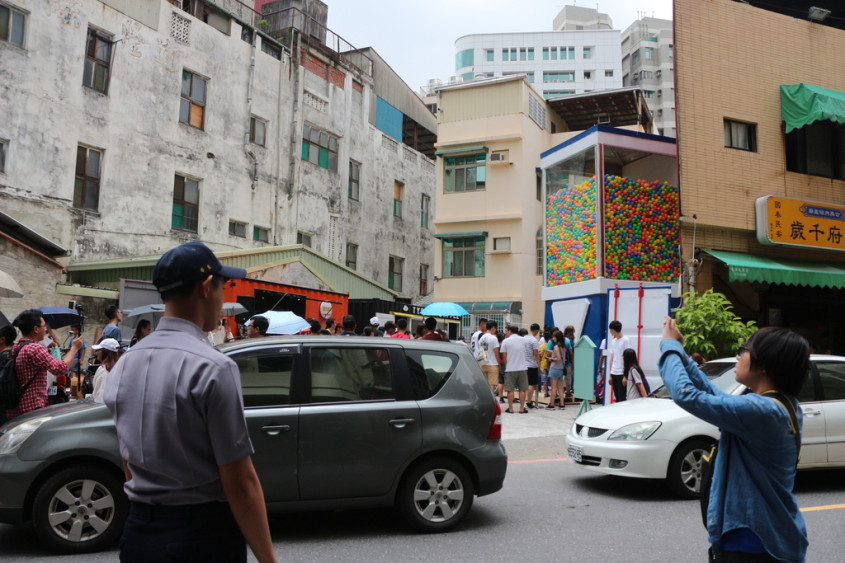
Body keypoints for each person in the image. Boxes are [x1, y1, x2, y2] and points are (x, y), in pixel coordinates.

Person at [103, 241, 275, 563]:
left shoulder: (125, 364)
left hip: (139, 532)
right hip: (201, 536)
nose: (224, 299)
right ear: (207, 287)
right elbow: (239, 480)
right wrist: (269, 560)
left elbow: (129, 459)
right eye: (224, 287)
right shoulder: (214, 367)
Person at [659, 319, 808, 563]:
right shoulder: (778, 405)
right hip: (759, 538)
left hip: (752, 544)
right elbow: (713, 395)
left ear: (765, 365)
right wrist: (680, 353)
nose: (738, 357)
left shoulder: (764, 411)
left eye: (744, 351)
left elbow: (687, 395)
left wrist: (667, 345)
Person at [4, 309, 82, 422]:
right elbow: (60, 368)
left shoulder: (16, 346)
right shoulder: (35, 348)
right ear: (36, 329)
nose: (46, 329)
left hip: (15, 407)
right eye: (43, 326)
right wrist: (75, 348)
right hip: (32, 407)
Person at [500, 325, 529, 413]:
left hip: (510, 368)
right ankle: (521, 408)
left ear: (509, 331)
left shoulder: (506, 341)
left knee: (510, 389)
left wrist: (507, 365)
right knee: (522, 389)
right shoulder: (524, 340)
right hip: (522, 368)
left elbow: (504, 356)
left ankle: (511, 408)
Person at [607, 320, 630, 402]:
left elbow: (627, 358)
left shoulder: (625, 340)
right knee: (616, 395)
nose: (610, 332)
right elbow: (612, 358)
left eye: (610, 330)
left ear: (613, 330)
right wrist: (610, 374)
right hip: (614, 372)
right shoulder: (613, 341)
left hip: (621, 372)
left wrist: (625, 375)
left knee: (622, 396)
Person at [478, 321, 501, 395]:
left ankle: (484, 396)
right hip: (492, 363)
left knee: (485, 384)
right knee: (492, 384)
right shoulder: (493, 338)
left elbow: (481, 350)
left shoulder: (481, 338)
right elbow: (496, 352)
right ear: (493, 328)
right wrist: (499, 363)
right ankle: (490, 398)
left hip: (482, 363)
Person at [546, 331, 567, 410]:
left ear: (557, 337)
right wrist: (547, 351)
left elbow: (558, 358)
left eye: (554, 337)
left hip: (554, 368)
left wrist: (550, 359)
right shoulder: (563, 346)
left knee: (553, 388)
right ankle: (562, 404)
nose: (553, 338)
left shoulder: (556, 347)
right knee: (560, 388)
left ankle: (552, 404)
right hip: (561, 369)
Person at [522, 325, 540, 408]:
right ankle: (529, 402)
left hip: (523, 364)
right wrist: (539, 365)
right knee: (531, 385)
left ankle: (523, 401)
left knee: (524, 385)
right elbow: (536, 354)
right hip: (532, 365)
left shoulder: (523, 338)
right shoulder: (534, 340)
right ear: (536, 330)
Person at [562, 325, 576, 397]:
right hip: (568, 362)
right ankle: (568, 391)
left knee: (561, 377)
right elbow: (571, 352)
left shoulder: (562, 340)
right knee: (568, 376)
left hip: (560, 361)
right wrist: (572, 360)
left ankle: (561, 391)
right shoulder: (570, 341)